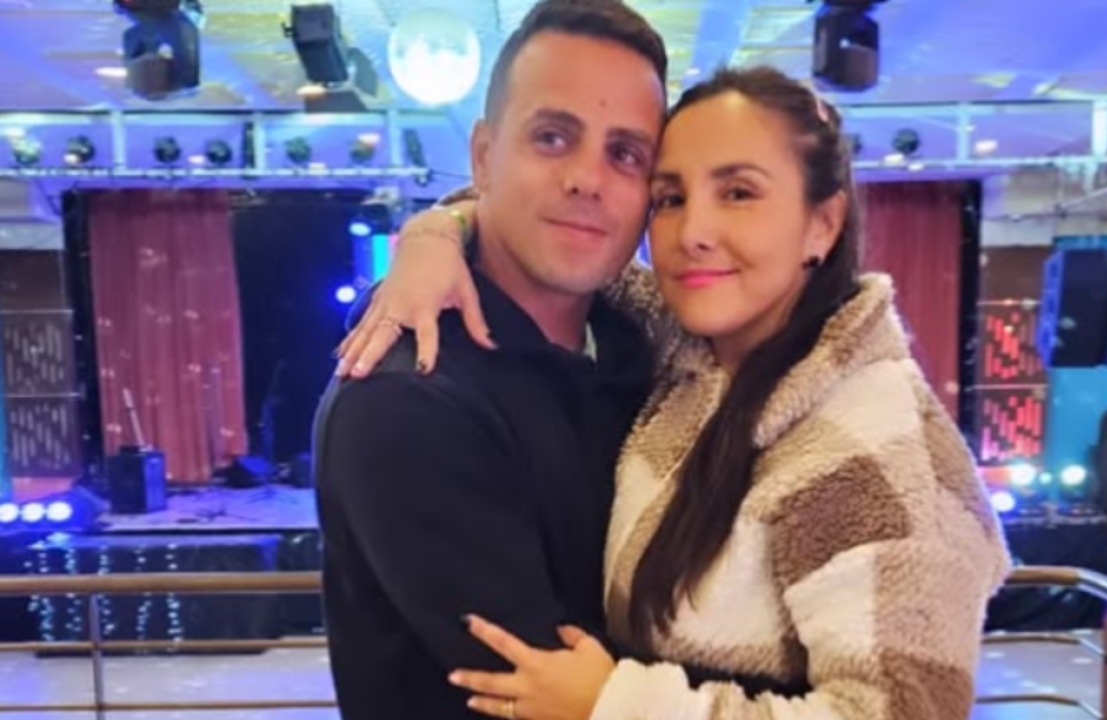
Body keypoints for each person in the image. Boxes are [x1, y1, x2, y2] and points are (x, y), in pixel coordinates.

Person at [336, 66, 1012, 720]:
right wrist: (436, 236)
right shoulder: (694, 346)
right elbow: (545, 239)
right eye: (670, 198)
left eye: (739, 193)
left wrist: (616, 706)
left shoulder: (871, 436)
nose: (693, 234)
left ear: (822, 224)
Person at [312, 2, 669, 719]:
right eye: (552, 137)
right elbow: (546, 689)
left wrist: (439, 226)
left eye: (625, 154)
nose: (588, 179)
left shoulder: (642, 348)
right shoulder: (408, 397)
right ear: (483, 157)